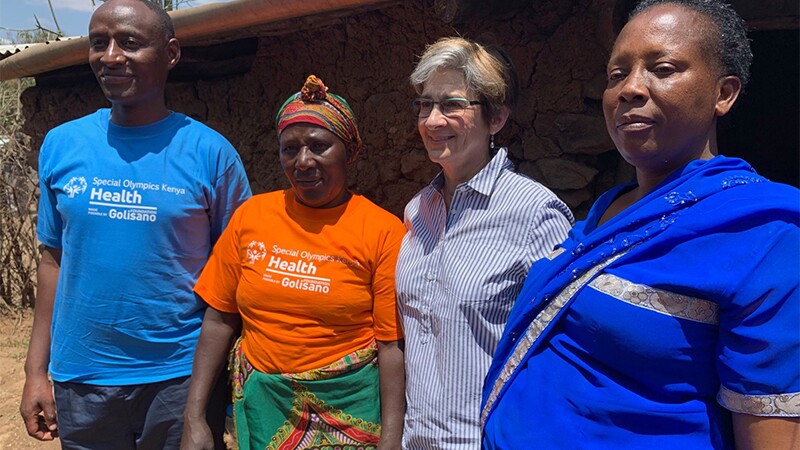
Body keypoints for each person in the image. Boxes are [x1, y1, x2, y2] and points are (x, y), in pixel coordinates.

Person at [481, 0, 800, 448]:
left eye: (663, 69)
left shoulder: (765, 233)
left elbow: (772, 432)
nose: (630, 89)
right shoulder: (609, 210)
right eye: (616, 74)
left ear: (723, 94)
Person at [19, 0, 252, 448]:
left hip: (179, 377)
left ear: (170, 54)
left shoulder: (210, 153)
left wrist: (223, 389)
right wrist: (35, 371)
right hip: (81, 378)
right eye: (98, 43)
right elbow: (53, 259)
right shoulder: (62, 144)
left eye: (129, 43)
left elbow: (236, 273)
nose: (110, 57)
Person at [180, 74, 406, 450]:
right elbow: (219, 318)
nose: (303, 162)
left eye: (319, 146)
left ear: (350, 152)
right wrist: (195, 417)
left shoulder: (382, 231)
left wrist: (391, 437)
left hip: (351, 409)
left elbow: (390, 344)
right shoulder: (251, 216)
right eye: (290, 149)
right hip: (264, 408)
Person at [395, 37, 574, 448]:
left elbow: (560, 352)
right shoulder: (417, 211)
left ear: (496, 118)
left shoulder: (535, 214)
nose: (433, 120)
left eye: (452, 105)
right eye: (425, 104)